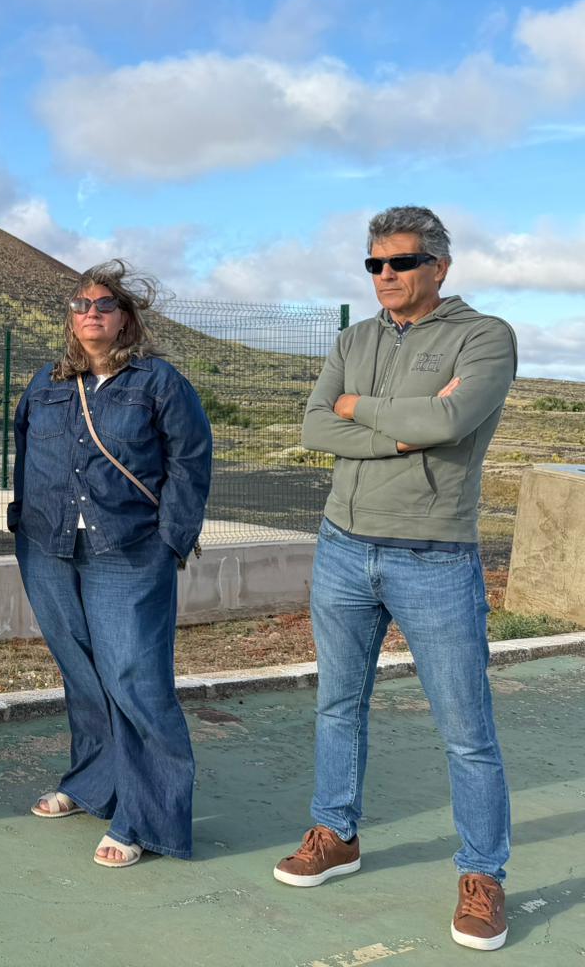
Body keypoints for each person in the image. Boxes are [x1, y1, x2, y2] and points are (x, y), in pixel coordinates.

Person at [274, 206, 517, 953]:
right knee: (338, 706)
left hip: (435, 557)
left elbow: (451, 425)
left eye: (401, 263)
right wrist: (402, 425)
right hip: (344, 548)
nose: (386, 277)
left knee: (465, 730)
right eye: (374, 265)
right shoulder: (354, 338)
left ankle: (482, 874)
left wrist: (364, 414)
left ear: (439, 267)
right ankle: (336, 833)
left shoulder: (485, 337)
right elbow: (317, 427)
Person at [8, 260, 212, 868]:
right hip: (49, 548)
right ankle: (93, 783)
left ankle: (147, 819)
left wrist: (173, 539)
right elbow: (24, 452)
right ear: (70, 319)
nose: (90, 311)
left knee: (135, 680)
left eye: (103, 304)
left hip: (127, 549)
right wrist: (23, 521)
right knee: (83, 672)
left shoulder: (158, 382)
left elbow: (191, 459)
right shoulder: (46, 383)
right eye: (80, 304)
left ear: (125, 318)